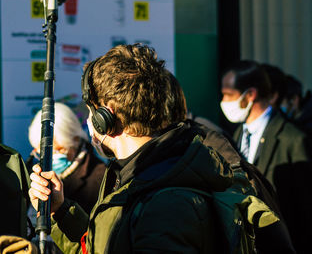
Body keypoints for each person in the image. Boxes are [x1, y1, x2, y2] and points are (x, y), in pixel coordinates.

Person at [28, 44, 263, 253]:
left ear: (105, 118)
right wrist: (59, 210)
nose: (88, 123)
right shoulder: (140, 176)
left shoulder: (164, 207)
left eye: (91, 112)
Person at [220, 59, 312, 253]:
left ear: (250, 94)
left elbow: (305, 209)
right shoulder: (238, 134)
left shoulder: (292, 139)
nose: (224, 102)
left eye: (229, 95)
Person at [27, 102, 106, 214]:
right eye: (41, 152)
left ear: (76, 141)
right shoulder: (30, 173)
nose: (51, 158)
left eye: (58, 150)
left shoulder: (101, 177)